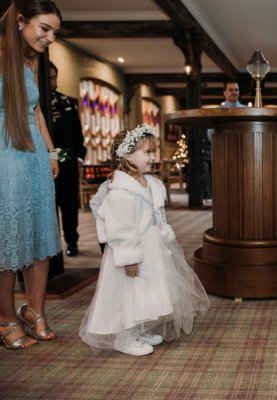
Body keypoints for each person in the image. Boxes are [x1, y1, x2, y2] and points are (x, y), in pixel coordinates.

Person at [79, 124, 211, 356]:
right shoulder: (120, 192)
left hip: (151, 247)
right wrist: (129, 258)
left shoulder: (149, 183)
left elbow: (157, 215)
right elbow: (119, 228)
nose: (153, 157)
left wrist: (164, 237)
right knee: (128, 293)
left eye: (153, 151)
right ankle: (123, 336)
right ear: (128, 155)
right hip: (130, 251)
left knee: (145, 290)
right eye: (147, 152)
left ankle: (136, 330)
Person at [0, 0, 62, 350]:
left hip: (34, 151)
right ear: (21, 21)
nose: (50, 37)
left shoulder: (31, 59)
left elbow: (37, 111)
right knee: (9, 234)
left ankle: (34, 311)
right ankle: (6, 317)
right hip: (4, 151)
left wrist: (52, 153)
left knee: (40, 231)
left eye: (54, 31)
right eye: (45, 28)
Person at [49, 61, 86, 257]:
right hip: (45, 162)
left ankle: (72, 240)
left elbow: (77, 133)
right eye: (50, 78)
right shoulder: (36, 103)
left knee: (69, 205)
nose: (54, 82)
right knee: (50, 206)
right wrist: (48, 121)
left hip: (68, 162)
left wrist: (80, 157)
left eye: (55, 77)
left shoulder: (66, 102)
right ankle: (52, 247)